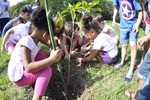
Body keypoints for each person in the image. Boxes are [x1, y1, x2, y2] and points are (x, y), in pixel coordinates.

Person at [7, 6, 63, 100]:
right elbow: (28, 67)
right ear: (45, 34)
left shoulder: (34, 42)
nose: (49, 39)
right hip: (18, 77)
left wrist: (50, 53)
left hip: (23, 70)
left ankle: (36, 83)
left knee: (41, 55)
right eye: (50, 36)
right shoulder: (26, 42)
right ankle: (37, 98)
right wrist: (51, 59)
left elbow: (41, 55)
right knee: (47, 70)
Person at [112, 0, 143, 82]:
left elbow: (140, 11)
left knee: (133, 45)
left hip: (133, 25)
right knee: (124, 45)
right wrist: (114, 18)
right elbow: (116, 7)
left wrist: (138, 24)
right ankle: (122, 62)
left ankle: (131, 68)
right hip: (123, 26)